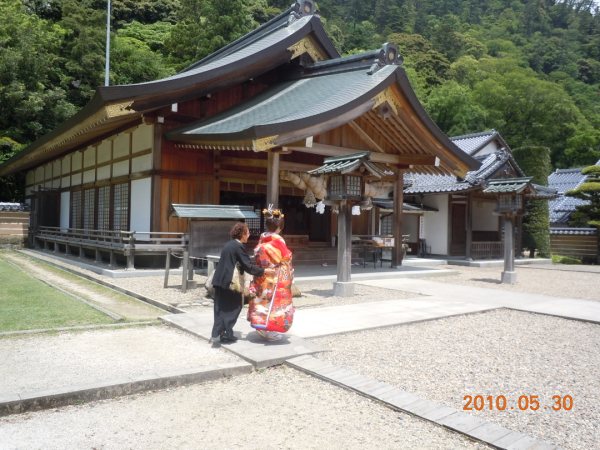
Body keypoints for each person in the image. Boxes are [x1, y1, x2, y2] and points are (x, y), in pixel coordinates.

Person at [210, 222, 270, 344]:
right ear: (242, 234)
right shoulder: (238, 247)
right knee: (234, 306)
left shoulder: (229, 244)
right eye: (247, 233)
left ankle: (218, 334)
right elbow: (248, 266)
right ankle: (225, 333)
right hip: (229, 282)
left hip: (219, 280)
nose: (248, 235)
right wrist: (264, 270)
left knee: (220, 308)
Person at [247, 207, 294, 341]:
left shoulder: (263, 238)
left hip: (261, 274)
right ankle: (271, 330)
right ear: (279, 226)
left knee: (261, 300)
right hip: (274, 276)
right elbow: (286, 257)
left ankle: (260, 326)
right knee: (275, 303)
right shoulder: (278, 239)